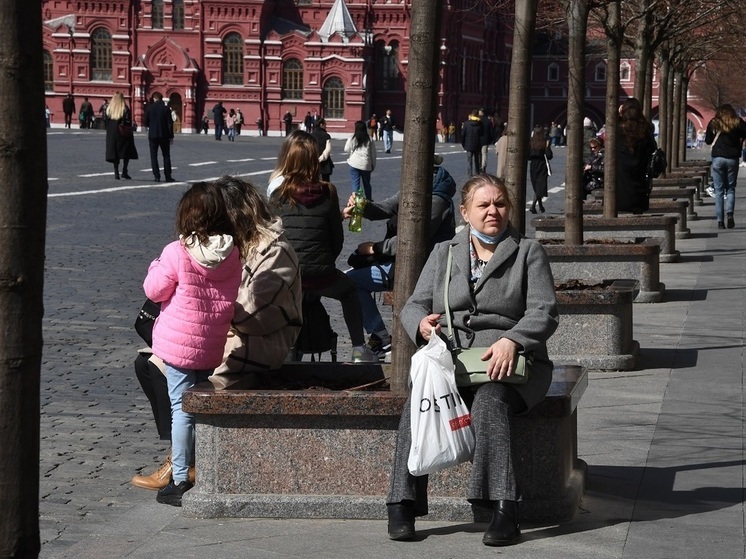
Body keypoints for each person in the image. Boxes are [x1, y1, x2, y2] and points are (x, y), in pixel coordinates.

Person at [386, 174, 559, 546]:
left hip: (512, 365)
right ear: (465, 212)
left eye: (500, 203)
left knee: (490, 402)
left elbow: (544, 311)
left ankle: (502, 508)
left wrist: (513, 340)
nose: (493, 211)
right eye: (483, 205)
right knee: (417, 403)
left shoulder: (528, 251)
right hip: (455, 363)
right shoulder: (444, 252)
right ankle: (402, 503)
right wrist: (421, 324)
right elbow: (414, 303)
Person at [132, 176, 303, 490]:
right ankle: (185, 454)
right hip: (219, 336)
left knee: (179, 396)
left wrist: (204, 313)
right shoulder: (233, 250)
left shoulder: (272, 250)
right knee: (150, 366)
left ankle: (183, 465)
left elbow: (253, 314)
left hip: (257, 342)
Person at [143, 181, 243, 506]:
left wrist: (156, 265)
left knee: (181, 408)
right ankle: (201, 467)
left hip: (179, 347)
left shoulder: (177, 252)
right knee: (199, 405)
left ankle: (180, 478)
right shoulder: (232, 253)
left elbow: (154, 290)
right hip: (210, 344)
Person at [268, 131, 378, 363]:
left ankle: (286, 352)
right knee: (348, 291)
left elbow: (272, 236)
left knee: (285, 298)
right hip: (321, 273)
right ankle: (359, 348)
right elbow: (336, 240)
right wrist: (322, 262)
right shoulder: (328, 191)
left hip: (288, 275)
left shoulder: (278, 193)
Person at [343, 155, 457, 360]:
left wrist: (375, 249)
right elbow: (387, 207)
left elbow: (413, 240)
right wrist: (363, 206)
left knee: (350, 283)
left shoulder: (437, 199)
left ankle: (380, 337)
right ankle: (380, 336)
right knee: (350, 279)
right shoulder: (415, 187)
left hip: (421, 267)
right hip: (399, 261)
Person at [705, 104, 746, 229]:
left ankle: (720, 221)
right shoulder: (737, 121)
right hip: (732, 158)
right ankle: (730, 214)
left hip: (718, 157)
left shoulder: (714, 122)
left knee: (719, 190)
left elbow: (707, 140)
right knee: (731, 188)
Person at [616, 99, 657, 215]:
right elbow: (653, 149)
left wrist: (618, 115)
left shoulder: (619, 130)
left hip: (619, 185)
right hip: (639, 182)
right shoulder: (645, 129)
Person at [104, 91, 138, 180]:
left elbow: (105, 120)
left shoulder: (109, 108)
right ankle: (124, 171)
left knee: (114, 152)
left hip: (112, 131)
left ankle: (116, 173)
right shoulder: (125, 108)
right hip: (122, 131)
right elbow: (127, 121)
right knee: (126, 151)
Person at [144, 92, 175, 182]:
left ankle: (156, 176)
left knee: (153, 156)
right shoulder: (166, 109)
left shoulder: (149, 108)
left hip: (153, 135)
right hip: (164, 135)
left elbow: (145, 122)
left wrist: (152, 126)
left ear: (154, 98)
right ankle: (168, 176)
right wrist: (171, 136)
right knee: (166, 155)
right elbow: (170, 124)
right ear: (161, 99)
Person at [344, 120, 377, 200]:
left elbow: (346, 149)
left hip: (354, 163)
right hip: (365, 164)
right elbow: (373, 154)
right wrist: (373, 165)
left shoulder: (352, 138)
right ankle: (369, 200)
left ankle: (355, 201)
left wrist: (351, 153)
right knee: (367, 184)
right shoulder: (370, 139)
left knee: (355, 183)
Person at [528, 125, 551, 213]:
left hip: (533, 165)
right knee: (539, 187)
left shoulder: (531, 142)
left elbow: (528, 156)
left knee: (537, 187)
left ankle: (539, 206)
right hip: (542, 165)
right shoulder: (544, 142)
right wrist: (547, 147)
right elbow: (549, 156)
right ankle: (534, 205)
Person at [311, 117, 334, 182]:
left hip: (313, 160)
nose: (326, 126)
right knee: (326, 181)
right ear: (321, 125)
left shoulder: (310, 135)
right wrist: (322, 157)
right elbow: (328, 149)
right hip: (325, 163)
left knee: (314, 180)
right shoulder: (326, 135)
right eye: (325, 124)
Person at [462, 109, 483, 176]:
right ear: (477, 115)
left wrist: (463, 144)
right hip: (477, 144)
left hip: (468, 144)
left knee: (469, 161)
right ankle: (477, 173)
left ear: (472, 114)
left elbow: (463, 134)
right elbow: (482, 134)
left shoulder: (466, 123)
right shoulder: (480, 123)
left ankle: (469, 174)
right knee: (477, 160)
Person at [478, 108, 493, 173]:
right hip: (486, 140)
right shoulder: (488, 121)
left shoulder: (478, 120)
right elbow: (491, 131)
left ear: (481, 113)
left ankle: (479, 165)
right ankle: (483, 166)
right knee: (484, 153)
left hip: (478, 139)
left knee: (479, 154)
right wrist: (491, 139)